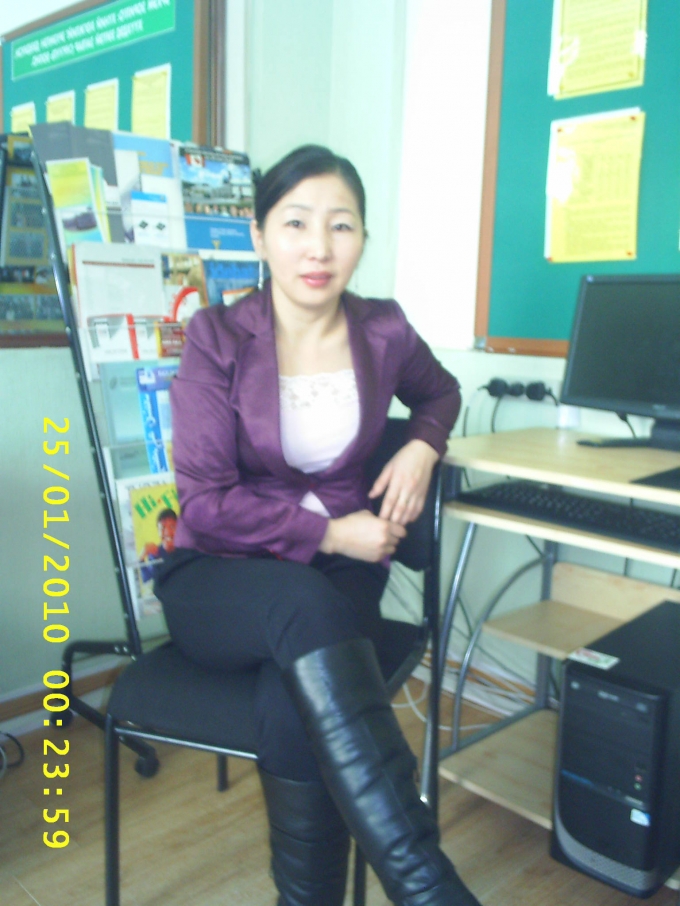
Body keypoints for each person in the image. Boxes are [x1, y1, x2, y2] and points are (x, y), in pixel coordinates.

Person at [154, 145, 482, 906]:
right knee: (304, 606)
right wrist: (332, 535)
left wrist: (422, 448)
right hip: (220, 575)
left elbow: (441, 393)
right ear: (260, 234)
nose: (319, 247)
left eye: (342, 225)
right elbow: (203, 503)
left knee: (290, 701)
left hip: (340, 576)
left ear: (362, 238)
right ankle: (430, 888)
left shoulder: (385, 330)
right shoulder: (215, 336)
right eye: (296, 222)